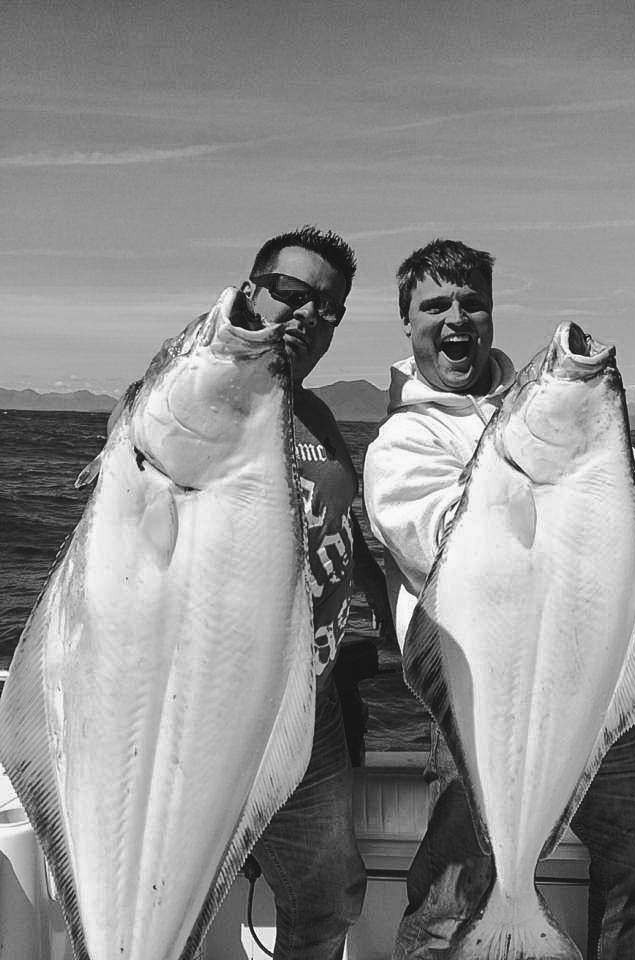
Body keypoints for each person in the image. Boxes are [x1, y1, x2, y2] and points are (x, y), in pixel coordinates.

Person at [362, 238, 635, 960]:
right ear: (407, 324)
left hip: (597, 683)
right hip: (487, 698)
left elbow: (630, 503)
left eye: (472, 303)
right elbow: (457, 550)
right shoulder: (403, 442)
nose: (456, 319)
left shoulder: (564, 418)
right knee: (453, 897)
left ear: (492, 314)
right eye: (434, 305)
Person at [111, 225, 393, 960]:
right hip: (193, 707)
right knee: (156, 892)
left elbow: (346, 531)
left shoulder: (324, 419)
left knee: (328, 894)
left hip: (308, 708)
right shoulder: (187, 399)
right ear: (251, 291)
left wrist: (390, 621)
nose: (306, 317)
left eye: (327, 308)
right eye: (290, 295)